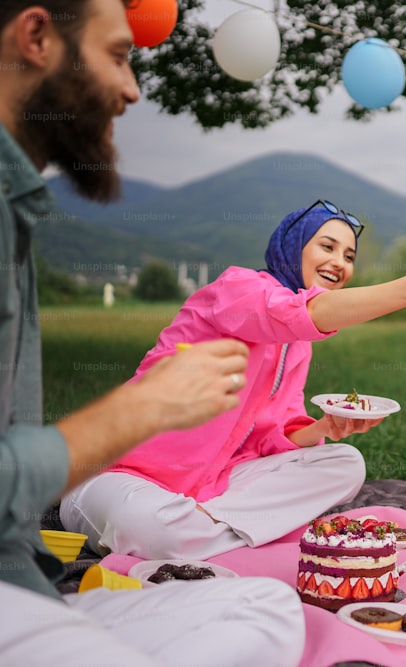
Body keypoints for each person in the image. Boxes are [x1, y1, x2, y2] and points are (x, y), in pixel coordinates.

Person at [0, 1, 307, 665]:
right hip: (80, 539)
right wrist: (139, 409)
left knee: (269, 605)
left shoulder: (16, 212)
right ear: (36, 36)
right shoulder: (244, 290)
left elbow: (271, 434)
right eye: (116, 55)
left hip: (31, 578)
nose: (133, 89)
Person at [59, 202, 406, 560]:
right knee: (150, 528)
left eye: (349, 255)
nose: (340, 262)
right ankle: (234, 537)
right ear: (292, 247)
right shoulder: (239, 289)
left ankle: (203, 535)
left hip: (211, 491)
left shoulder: (298, 347)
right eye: (327, 247)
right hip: (122, 475)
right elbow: (298, 314)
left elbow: (271, 441)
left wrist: (324, 427)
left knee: (345, 463)